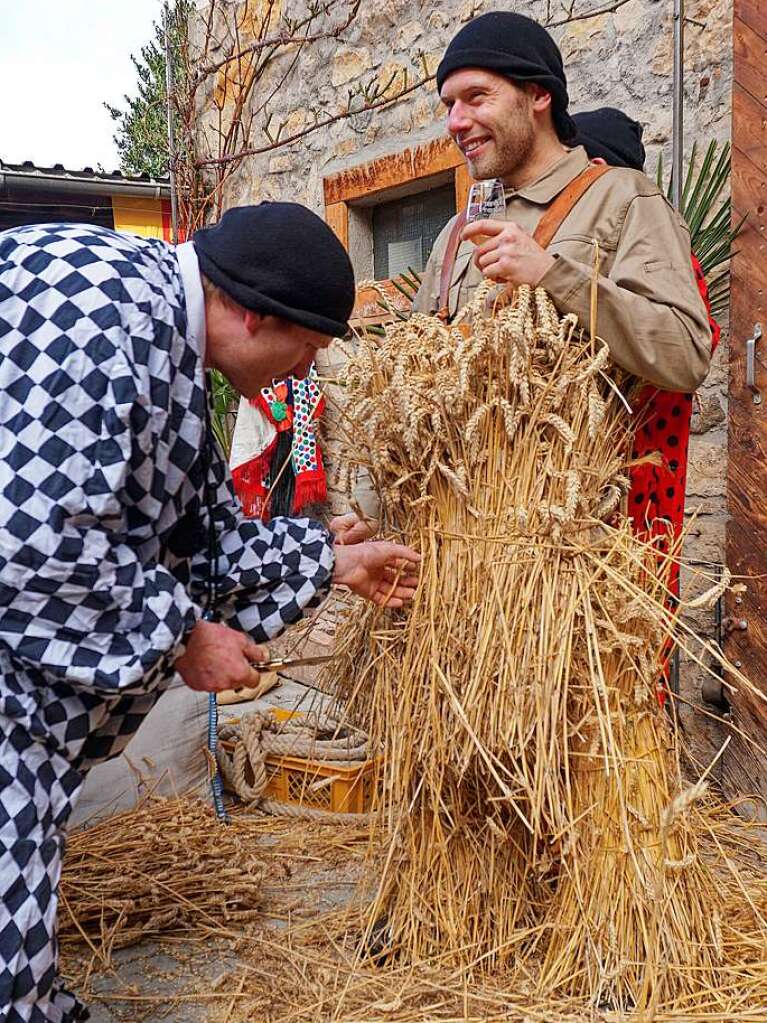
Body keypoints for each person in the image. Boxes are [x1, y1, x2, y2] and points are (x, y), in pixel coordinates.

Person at [0, 202, 420, 1022]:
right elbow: (38, 538)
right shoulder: (95, 313)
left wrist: (331, 560)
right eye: (307, 348)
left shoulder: (165, 337)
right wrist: (183, 637)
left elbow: (203, 542)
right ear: (257, 311)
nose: (301, 373)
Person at [412, 11, 713, 395]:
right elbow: (415, 371)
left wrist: (551, 275)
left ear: (539, 94)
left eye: (476, 97)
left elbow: (686, 356)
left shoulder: (624, 198)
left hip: (582, 454)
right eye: (449, 105)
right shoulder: (454, 234)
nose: (455, 122)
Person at [571, 107, 722, 600]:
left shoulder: (662, 250)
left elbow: (690, 345)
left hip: (641, 469)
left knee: (633, 608)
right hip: (593, 479)